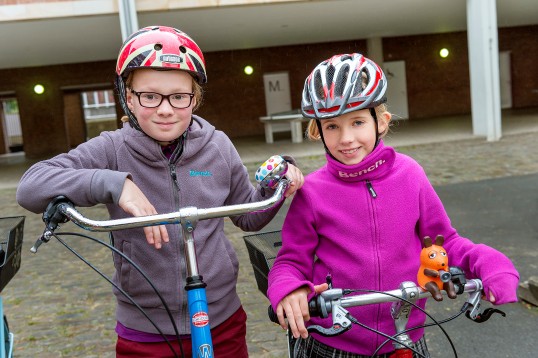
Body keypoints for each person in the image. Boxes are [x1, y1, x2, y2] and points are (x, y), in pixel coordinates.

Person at [16, 25, 304, 357]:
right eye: (150, 96)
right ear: (128, 96)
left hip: (220, 319)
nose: (165, 109)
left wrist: (277, 185)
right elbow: (31, 185)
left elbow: (248, 215)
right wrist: (114, 184)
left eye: (179, 97)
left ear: (194, 98)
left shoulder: (218, 146)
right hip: (145, 330)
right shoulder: (111, 149)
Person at [267, 53, 519, 357]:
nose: (346, 138)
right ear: (317, 131)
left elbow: (444, 242)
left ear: (382, 122)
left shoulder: (410, 175)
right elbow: (291, 261)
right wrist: (289, 289)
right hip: (333, 342)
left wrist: (486, 261)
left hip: (406, 338)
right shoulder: (313, 192)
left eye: (358, 122)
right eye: (332, 126)